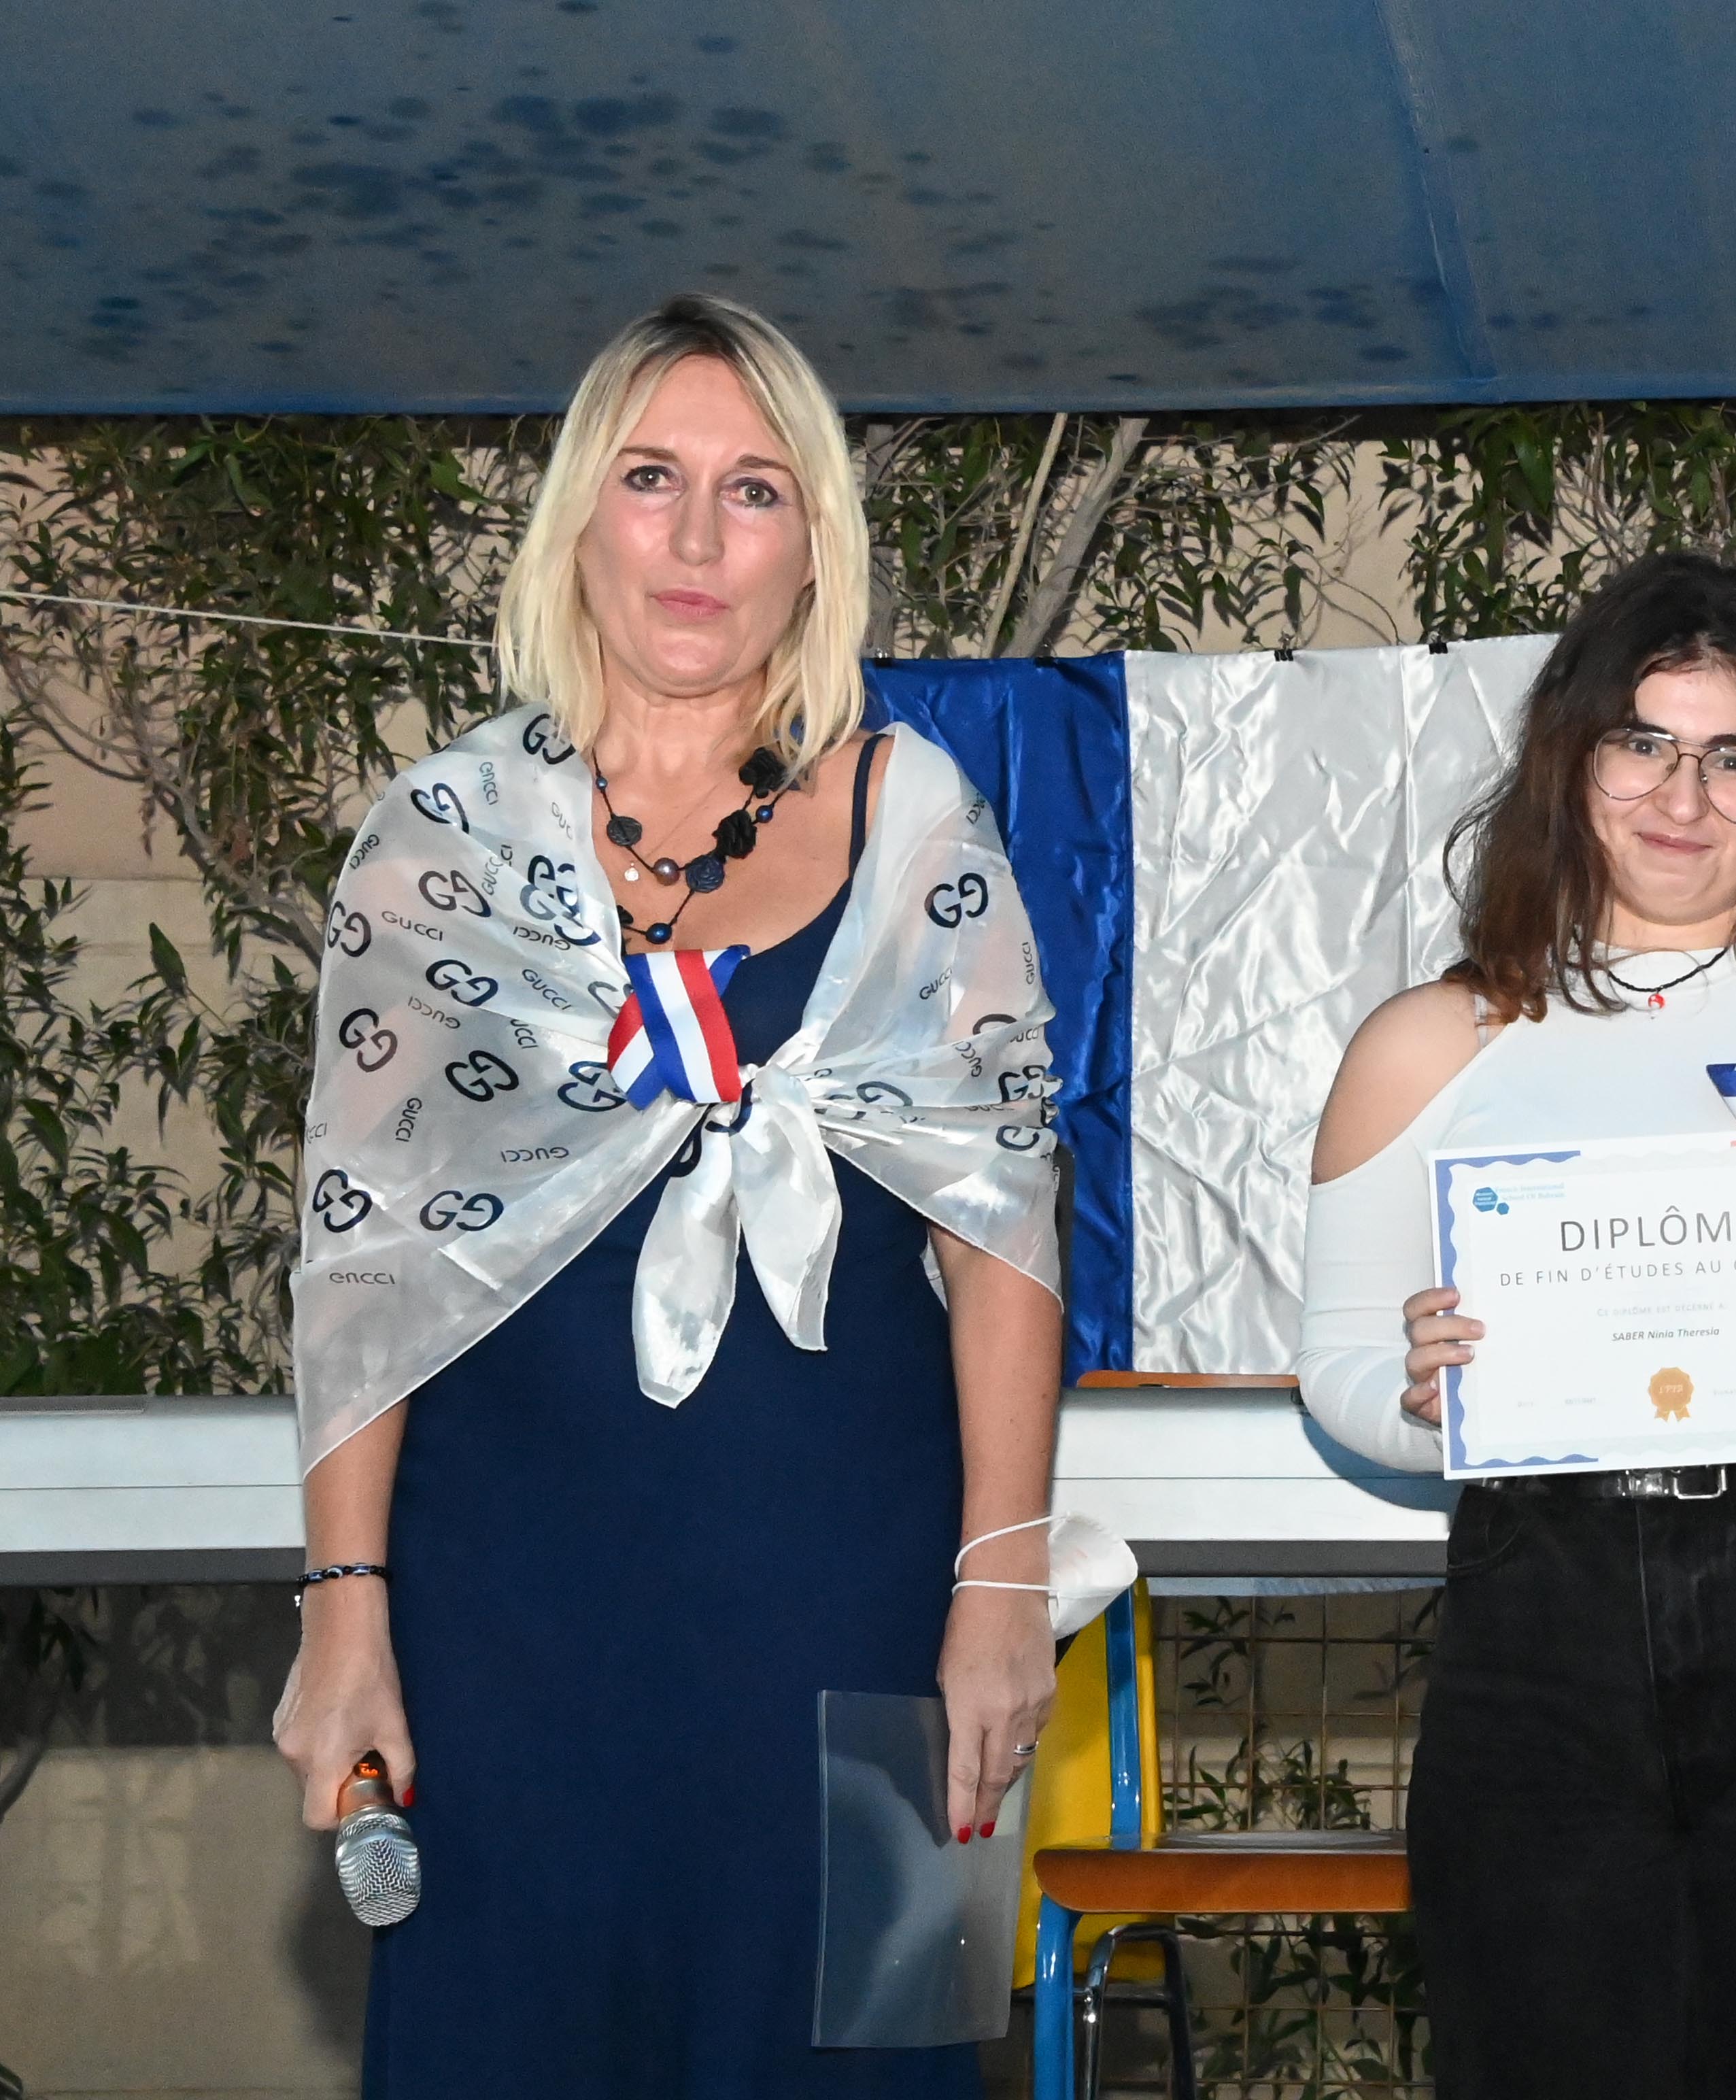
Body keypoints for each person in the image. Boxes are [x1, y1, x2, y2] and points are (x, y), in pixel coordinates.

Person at [275, 294, 1087, 2097]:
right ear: (581, 515)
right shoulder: (437, 838)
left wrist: (1002, 1588)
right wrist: (344, 1607)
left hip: (858, 1609)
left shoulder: (917, 817)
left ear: (816, 548)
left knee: (867, 2053)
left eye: (756, 489)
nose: (700, 538)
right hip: (501, 1626)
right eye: (652, 479)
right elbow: (362, 1262)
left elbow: (1004, 1226)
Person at [1295, 552, 1736, 2100]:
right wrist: (1425, 1394)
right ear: (1571, 763)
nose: (1683, 795)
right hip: (1537, 1622)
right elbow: (1339, 1372)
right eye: (1643, 743)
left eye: (1733, 755)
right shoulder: (1430, 1043)